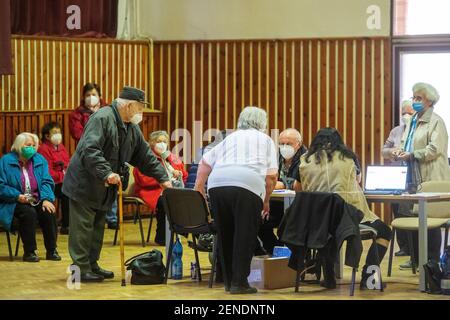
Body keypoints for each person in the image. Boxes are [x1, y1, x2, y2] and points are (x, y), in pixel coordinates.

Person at [63, 86, 171, 283]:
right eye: (140, 107)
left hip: (104, 185)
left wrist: (163, 178)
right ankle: (80, 269)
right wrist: (107, 172)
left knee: (97, 227)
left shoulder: (131, 127)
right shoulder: (102, 118)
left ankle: (92, 264)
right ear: (129, 105)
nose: (142, 112)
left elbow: (145, 156)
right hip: (85, 183)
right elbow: (90, 149)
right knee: (83, 228)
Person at [294, 127, 392, 289]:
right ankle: (368, 276)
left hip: (316, 221)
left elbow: (298, 187)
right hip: (346, 219)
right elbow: (358, 179)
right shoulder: (348, 158)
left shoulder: (305, 160)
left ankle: (330, 277)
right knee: (384, 231)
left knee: (328, 233)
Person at [195, 106, 278, 294]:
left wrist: (199, 187)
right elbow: (271, 177)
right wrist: (266, 201)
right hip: (247, 186)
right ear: (262, 123)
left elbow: (205, 162)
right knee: (245, 234)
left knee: (225, 234)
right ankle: (240, 283)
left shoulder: (230, 138)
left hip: (217, 186)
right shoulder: (265, 140)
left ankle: (228, 280)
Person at [394, 82, 450, 269]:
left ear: (429, 101)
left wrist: (412, 154)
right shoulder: (412, 121)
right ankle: (416, 258)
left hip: (431, 177)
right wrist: (400, 152)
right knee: (411, 215)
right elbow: (405, 143)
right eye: (414, 97)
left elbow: (434, 149)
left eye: (419, 98)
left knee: (430, 220)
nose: (415, 101)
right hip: (411, 174)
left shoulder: (437, 122)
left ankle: (431, 263)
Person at [0, 132, 60, 262]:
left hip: (36, 198)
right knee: (28, 213)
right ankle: (30, 252)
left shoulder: (40, 159)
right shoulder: (5, 161)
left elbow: (46, 181)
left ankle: (52, 250)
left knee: (48, 212)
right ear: (19, 146)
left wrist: (46, 199)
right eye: (28, 145)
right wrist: (17, 196)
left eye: (34, 145)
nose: (32, 148)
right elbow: (1, 185)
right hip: (13, 201)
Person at [69, 82, 117, 229]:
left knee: (110, 181)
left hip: (107, 153)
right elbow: (78, 133)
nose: (91, 98)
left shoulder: (109, 111)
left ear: (100, 96)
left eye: (94, 95)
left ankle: (112, 217)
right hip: (87, 153)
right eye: (88, 95)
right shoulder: (76, 114)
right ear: (83, 97)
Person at [258, 128, 307, 254]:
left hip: (299, 207)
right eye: (282, 144)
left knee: (287, 226)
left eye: (288, 144)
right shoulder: (276, 157)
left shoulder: (306, 159)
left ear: (299, 144)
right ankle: (277, 251)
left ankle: (292, 257)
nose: (284, 147)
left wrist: (284, 183)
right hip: (276, 204)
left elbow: (300, 184)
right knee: (259, 221)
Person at [133, 130, 188, 245]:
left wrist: (179, 175)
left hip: (171, 189)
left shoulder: (172, 157)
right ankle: (162, 236)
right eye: (159, 141)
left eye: (164, 141)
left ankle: (182, 229)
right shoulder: (145, 157)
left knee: (188, 199)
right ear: (151, 143)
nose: (162, 144)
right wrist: (164, 180)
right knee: (165, 202)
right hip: (152, 191)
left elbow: (184, 174)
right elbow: (143, 180)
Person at [382, 100, 415, 257]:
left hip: (415, 177)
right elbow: (384, 150)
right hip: (397, 176)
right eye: (404, 113)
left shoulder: (419, 130)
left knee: (413, 214)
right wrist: (392, 152)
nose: (406, 116)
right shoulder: (395, 131)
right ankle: (404, 247)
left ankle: (416, 249)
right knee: (398, 212)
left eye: (410, 113)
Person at [38, 122, 71, 235]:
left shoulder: (61, 147)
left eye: (59, 132)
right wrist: (63, 175)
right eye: (55, 133)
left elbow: (67, 164)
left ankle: (68, 223)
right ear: (47, 136)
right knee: (67, 193)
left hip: (63, 180)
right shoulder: (43, 149)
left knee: (74, 190)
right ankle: (66, 226)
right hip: (51, 182)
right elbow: (47, 171)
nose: (58, 135)